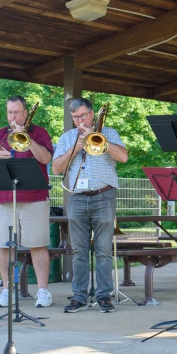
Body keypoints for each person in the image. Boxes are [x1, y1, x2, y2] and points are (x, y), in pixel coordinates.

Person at [51, 98, 128, 314]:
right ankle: (79, 297)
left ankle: (104, 296)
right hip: (77, 198)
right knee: (78, 251)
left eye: (83, 115)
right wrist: (76, 147)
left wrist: (101, 140)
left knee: (103, 250)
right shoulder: (67, 138)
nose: (80, 120)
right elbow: (56, 168)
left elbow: (123, 157)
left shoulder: (109, 132)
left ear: (92, 114)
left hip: (104, 195)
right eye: (75, 117)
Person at [0, 96, 54, 309]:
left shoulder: (39, 133)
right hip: (5, 197)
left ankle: (43, 291)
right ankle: (6, 290)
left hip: (34, 197)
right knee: (5, 246)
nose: (12, 117)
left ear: (25, 113)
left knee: (37, 244)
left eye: (16, 112)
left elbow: (46, 159)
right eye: (9, 113)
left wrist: (27, 139)